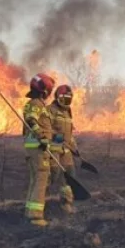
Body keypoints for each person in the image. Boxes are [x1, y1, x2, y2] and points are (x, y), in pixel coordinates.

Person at [22, 73, 56, 227]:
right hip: (37, 148)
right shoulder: (36, 104)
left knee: (35, 180)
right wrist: (42, 137)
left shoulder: (32, 103)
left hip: (32, 148)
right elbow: (31, 120)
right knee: (41, 179)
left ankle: (29, 211)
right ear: (44, 91)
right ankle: (36, 217)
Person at [48, 84, 78, 214]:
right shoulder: (50, 110)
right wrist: (59, 139)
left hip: (66, 151)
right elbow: (46, 130)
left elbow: (69, 133)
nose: (66, 102)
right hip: (53, 149)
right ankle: (38, 199)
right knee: (52, 176)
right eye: (63, 98)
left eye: (68, 99)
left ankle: (66, 204)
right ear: (57, 98)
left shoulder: (67, 112)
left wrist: (74, 147)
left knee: (70, 176)